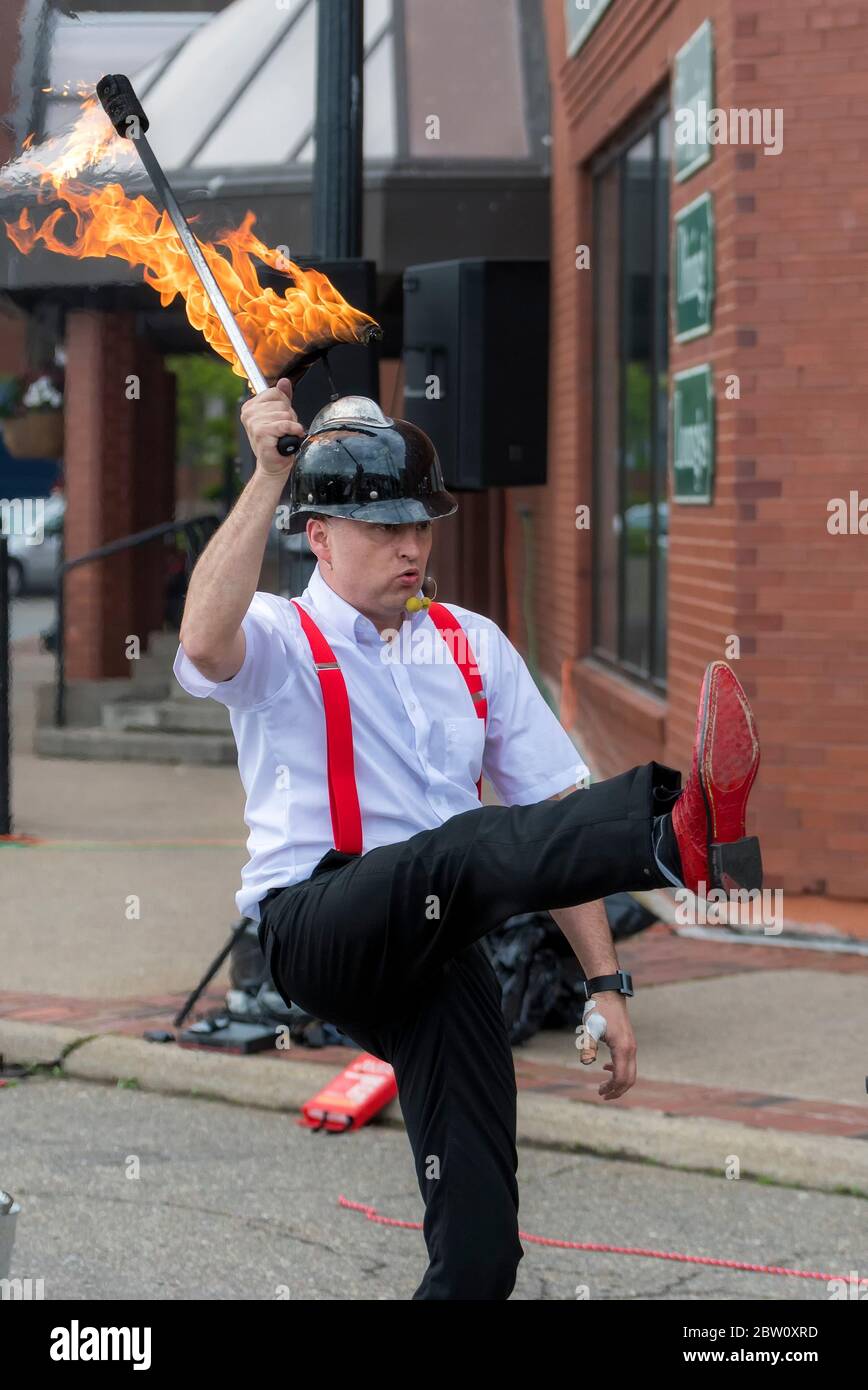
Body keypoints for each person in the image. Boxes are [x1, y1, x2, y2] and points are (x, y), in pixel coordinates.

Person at [173, 380, 762, 1301]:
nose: (412, 545)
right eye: (383, 529)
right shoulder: (278, 636)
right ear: (318, 536)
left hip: (437, 945)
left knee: (483, 1247)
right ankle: (677, 838)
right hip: (317, 922)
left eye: (423, 525)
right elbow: (204, 645)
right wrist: (264, 476)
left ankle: (682, 838)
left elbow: (553, 823)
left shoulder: (473, 644)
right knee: (465, 846)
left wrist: (606, 987)